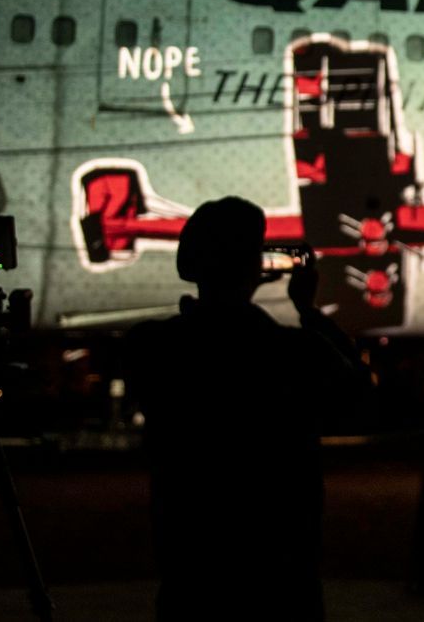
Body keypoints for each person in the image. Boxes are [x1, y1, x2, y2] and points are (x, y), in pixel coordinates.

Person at [126, 196, 373, 620]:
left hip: (190, 569)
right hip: (280, 573)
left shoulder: (150, 345)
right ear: (253, 266)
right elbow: (359, 396)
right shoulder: (292, 351)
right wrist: (308, 312)